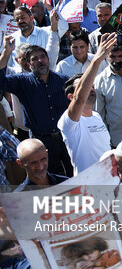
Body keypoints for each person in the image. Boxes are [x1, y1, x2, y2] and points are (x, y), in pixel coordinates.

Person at [0, 40, 72, 176]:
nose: (40, 61)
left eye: (42, 57)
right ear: (28, 64)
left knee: (73, 175)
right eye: (34, 59)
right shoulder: (22, 82)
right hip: (41, 142)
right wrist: (6, 52)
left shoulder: (63, 80)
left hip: (65, 138)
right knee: (46, 179)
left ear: (48, 58)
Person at [58, 33, 116, 175]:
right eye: (84, 87)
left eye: (91, 86)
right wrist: (97, 59)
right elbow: (80, 100)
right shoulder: (69, 121)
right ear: (71, 96)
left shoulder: (96, 116)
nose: (90, 89)